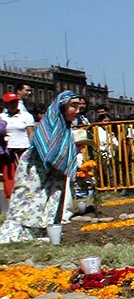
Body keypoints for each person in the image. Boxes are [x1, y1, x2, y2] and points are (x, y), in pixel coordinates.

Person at [0, 92, 83, 243]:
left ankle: (46, 230)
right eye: (73, 106)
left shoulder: (66, 127)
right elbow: (47, 148)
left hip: (54, 172)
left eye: (79, 107)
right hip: (36, 169)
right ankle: (22, 234)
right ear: (62, 106)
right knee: (31, 199)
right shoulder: (52, 123)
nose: (77, 111)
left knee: (51, 199)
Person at [2, 92, 34, 202]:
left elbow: (30, 133)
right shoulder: (2, 117)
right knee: (9, 179)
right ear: (6, 104)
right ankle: (9, 207)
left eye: (15, 102)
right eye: (10, 103)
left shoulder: (26, 116)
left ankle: (26, 203)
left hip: (23, 150)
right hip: (8, 151)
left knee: (25, 177)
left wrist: (32, 148)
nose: (13, 104)